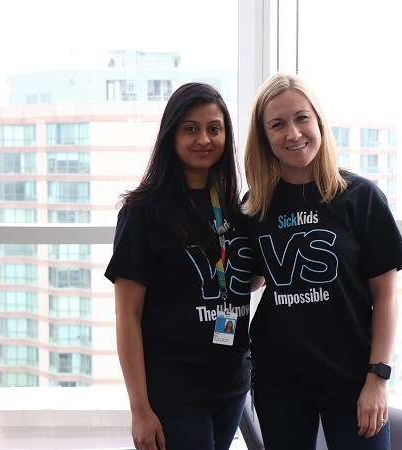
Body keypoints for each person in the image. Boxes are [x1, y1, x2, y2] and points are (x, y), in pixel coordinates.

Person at [241, 73, 402, 450]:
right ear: (264, 137)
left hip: (353, 378)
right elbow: (251, 278)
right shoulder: (254, 207)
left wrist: (378, 379)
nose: (293, 133)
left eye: (302, 118)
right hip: (279, 381)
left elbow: (386, 296)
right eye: (277, 124)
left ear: (318, 121)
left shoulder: (361, 198)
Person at [105, 82, 254, 450]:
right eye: (190, 128)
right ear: (170, 135)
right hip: (174, 390)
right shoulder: (142, 213)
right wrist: (139, 408)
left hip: (230, 384)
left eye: (214, 128)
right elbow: (128, 315)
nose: (204, 139)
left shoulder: (238, 210)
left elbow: (243, 280)